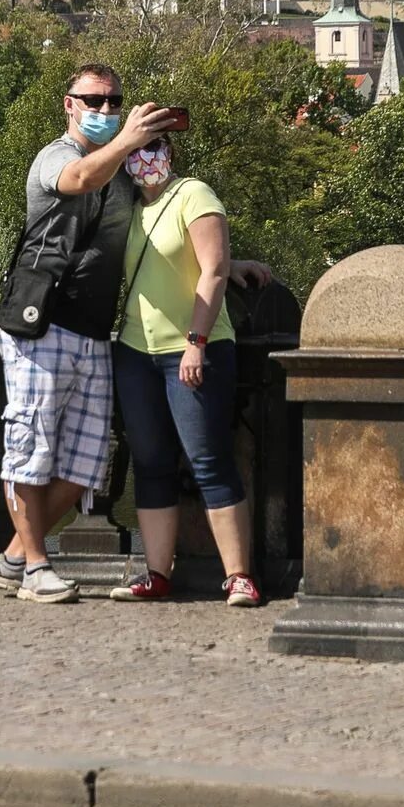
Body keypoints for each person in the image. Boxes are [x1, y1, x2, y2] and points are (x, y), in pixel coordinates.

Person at [0, 63, 172, 604]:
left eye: (114, 102)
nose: (105, 111)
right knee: (30, 450)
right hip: (40, 324)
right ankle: (36, 569)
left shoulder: (123, 175)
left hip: (94, 332)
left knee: (85, 464)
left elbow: (155, 235)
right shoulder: (59, 157)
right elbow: (79, 181)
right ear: (68, 104)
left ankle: (14, 556)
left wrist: (223, 264)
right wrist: (127, 142)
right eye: (92, 101)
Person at [107, 132, 261, 607]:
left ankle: (239, 577)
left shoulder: (193, 193)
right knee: (151, 465)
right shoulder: (127, 206)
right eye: (134, 151)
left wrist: (196, 341)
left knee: (208, 459)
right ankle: (157, 574)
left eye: (153, 148)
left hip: (195, 348)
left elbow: (212, 268)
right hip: (136, 352)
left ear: (169, 152)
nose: (144, 159)